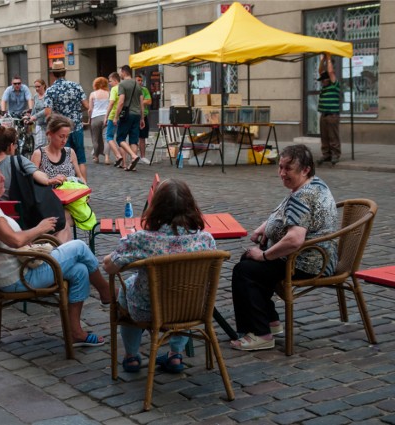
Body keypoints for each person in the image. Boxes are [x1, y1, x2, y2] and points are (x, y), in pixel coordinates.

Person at [0, 160, 111, 347]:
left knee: (79, 271)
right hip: (19, 278)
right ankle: (106, 291)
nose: (3, 177)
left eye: (0, 173)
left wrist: (29, 239)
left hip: (15, 272)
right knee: (78, 246)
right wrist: (40, 228)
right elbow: (15, 240)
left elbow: (11, 241)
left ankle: (76, 333)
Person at [230, 144, 338, 351]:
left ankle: (261, 335)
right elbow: (283, 213)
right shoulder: (313, 184)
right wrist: (265, 227)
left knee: (244, 271)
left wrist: (264, 256)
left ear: (305, 169)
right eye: (280, 167)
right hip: (319, 255)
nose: (281, 173)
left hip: (308, 260)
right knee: (248, 261)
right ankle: (269, 320)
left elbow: (294, 240)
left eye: (288, 169)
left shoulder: (302, 196)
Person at [103, 179, 216, 373]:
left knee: (125, 290)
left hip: (147, 310)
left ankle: (131, 356)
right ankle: (175, 354)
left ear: (156, 207)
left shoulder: (143, 239)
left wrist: (115, 255)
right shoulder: (205, 239)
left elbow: (110, 267)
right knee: (186, 291)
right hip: (192, 309)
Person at [43, 60, 89, 182]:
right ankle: (84, 188)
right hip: (77, 127)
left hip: (60, 130)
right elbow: (86, 105)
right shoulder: (76, 86)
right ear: (65, 72)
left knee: (64, 159)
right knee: (81, 159)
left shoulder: (50, 90)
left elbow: (48, 113)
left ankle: (67, 189)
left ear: (53, 74)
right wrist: (77, 111)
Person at [0, 125, 64, 200]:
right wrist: (48, 180)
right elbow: (36, 174)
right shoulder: (18, 160)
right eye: (15, 145)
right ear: (11, 146)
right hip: (13, 210)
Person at [31, 114, 85, 184]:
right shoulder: (39, 154)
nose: (64, 141)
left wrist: (84, 187)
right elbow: (32, 178)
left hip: (70, 193)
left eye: (67, 136)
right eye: (61, 136)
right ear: (50, 134)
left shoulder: (70, 152)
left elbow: (80, 176)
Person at [113, 65, 143, 171]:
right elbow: (141, 103)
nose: (120, 74)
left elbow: (121, 101)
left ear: (124, 72)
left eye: (120, 72)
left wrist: (116, 116)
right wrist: (142, 118)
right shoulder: (138, 84)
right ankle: (131, 164)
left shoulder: (122, 84)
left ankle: (133, 157)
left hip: (127, 115)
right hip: (137, 114)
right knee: (133, 140)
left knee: (120, 138)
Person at [316, 53, 341, 165]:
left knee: (333, 136)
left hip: (332, 115)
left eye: (324, 80)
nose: (322, 81)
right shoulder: (324, 87)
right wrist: (323, 60)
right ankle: (326, 154)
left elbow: (330, 72)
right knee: (324, 136)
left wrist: (329, 57)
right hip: (324, 114)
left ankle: (335, 154)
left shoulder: (334, 85)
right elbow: (320, 70)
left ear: (328, 80)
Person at [104, 72, 125, 168]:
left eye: (110, 81)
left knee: (109, 137)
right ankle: (123, 162)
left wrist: (106, 116)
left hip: (113, 116)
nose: (109, 83)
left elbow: (111, 103)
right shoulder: (123, 88)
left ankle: (118, 155)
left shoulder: (114, 89)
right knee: (121, 139)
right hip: (122, 116)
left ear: (116, 80)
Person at [88, 77, 110, 164]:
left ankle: (96, 157)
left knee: (95, 139)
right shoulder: (109, 93)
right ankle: (107, 158)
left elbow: (90, 109)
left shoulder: (93, 94)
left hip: (95, 117)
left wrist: (89, 118)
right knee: (106, 138)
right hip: (106, 117)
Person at [135, 74, 152, 164]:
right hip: (134, 115)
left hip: (144, 115)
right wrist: (142, 102)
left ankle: (143, 156)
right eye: (138, 80)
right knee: (134, 137)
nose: (140, 82)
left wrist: (139, 102)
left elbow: (149, 101)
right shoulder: (132, 90)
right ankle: (134, 156)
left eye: (141, 80)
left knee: (142, 137)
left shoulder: (144, 90)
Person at [27, 79, 48, 149]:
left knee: (48, 145)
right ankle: (39, 159)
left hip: (48, 123)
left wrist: (35, 116)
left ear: (44, 86)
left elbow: (46, 110)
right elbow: (34, 109)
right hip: (39, 124)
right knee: (39, 145)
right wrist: (30, 118)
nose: (37, 88)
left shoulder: (47, 96)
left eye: (38, 86)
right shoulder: (36, 96)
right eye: (35, 87)